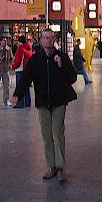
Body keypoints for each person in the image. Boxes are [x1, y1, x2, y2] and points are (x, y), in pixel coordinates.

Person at [11, 29, 77, 183]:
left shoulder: (62, 57)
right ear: (40, 41)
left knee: (58, 133)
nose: (48, 40)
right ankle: (51, 166)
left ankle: (60, 167)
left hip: (59, 101)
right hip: (42, 102)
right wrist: (17, 95)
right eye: (45, 38)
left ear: (54, 40)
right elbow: (26, 79)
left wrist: (62, 66)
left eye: (51, 38)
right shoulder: (35, 60)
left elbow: (72, 78)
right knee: (47, 136)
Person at [11, 35, 33, 108]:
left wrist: (13, 67)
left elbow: (18, 61)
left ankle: (20, 103)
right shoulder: (29, 48)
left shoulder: (21, 48)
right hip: (27, 69)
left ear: (19, 42)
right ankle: (27, 102)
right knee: (26, 87)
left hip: (20, 70)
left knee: (20, 87)